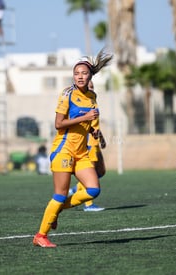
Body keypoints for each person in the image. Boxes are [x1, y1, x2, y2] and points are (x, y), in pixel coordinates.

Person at [33, 49, 113, 248]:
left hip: (81, 152)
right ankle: (40, 235)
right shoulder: (67, 94)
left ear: (90, 76)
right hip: (64, 151)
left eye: (84, 73)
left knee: (93, 190)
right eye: (76, 73)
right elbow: (59, 124)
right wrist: (84, 118)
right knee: (59, 195)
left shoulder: (92, 97)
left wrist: (96, 134)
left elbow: (93, 124)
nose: (79, 76)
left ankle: (57, 210)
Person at [68, 80, 107, 212]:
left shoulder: (93, 102)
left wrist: (101, 139)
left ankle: (75, 189)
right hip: (88, 144)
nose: (91, 89)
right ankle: (89, 204)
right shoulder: (81, 104)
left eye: (92, 86)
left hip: (95, 143)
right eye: (88, 87)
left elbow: (94, 126)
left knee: (101, 171)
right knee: (91, 175)